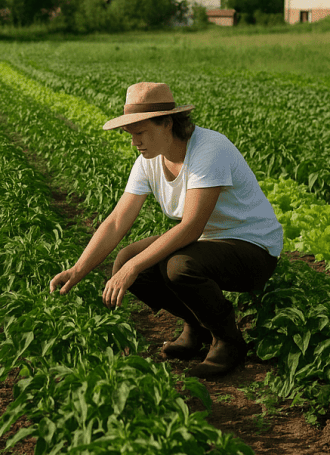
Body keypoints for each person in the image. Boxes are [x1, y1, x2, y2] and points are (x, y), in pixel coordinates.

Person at [49, 81, 282, 378]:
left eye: (141, 132)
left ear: (167, 124)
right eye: (130, 135)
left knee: (178, 267)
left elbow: (191, 228)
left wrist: (134, 266)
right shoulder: (149, 161)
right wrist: (78, 269)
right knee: (127, 260)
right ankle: (197, 325)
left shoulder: (209, 150)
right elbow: (117, 220)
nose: (135, 142)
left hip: (251, 247)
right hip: (210, 242)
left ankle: (228, 341)